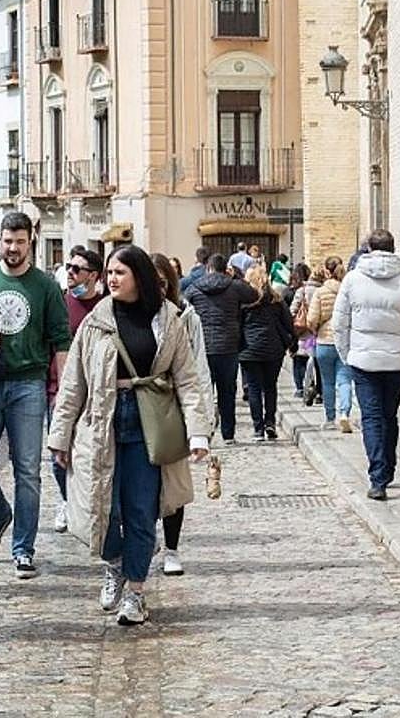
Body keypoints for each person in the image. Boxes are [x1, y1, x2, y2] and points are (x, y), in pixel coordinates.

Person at [47, 246, 211, 625]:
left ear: (138, 274)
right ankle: (116, 561)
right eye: (109, 272)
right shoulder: (96, 322)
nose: (112, 278)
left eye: (120, 271)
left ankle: (135, 592)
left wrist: (198, 433)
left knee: (140, 511)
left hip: (148, 424)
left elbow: (186, 379)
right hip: (100, 423)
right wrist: (61, 435)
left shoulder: (169, 320)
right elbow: (74, 383)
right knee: (99, 509)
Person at [0, 211, 71, 578]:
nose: (14, 248)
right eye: (8, 241)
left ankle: (23, 548)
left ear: (30, 242)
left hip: (29, 385)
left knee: (27, 472)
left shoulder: (46, 287)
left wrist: (65, 396)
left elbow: (61, 341)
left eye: (20, 241)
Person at [332, 229, 400, 501]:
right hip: (395, 362)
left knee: (370, 417)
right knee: (388, 415)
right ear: (393, 248)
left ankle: (378, 477)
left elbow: (339, 323)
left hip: (362, 361)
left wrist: (348, 355)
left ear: (369, 248)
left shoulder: (352, 279)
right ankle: (388, 468)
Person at [152, 252, 213, 577]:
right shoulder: (125, 316)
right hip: (143, 408)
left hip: (175, 408)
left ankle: (172, 548)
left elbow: (197, 369)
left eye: (162, 283)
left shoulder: (187, 317)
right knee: (141, 483)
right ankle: (146, 537)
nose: (156, 289)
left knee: (174, 483)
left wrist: (202, 422)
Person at [50, 248, 106, 534]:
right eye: (68, 268)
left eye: (76, 269)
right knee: (57, 452)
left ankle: (89, 504)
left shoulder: (105, 308)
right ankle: (65, 500)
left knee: (89, 453)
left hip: (96, 391)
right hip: (58, 389)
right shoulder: (60, 303)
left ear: (94, 276)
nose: (70, 274)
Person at [183, 252, 258, 445]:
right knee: (227, 392)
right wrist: (235, 277)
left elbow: (182, 304)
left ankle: (204, 431)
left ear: (208, 268)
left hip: (203, 346)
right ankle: (228, 434)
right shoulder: (233, 286)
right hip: (228, 345)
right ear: (226, 269)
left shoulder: (195, 287)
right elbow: (253, 294)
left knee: (203, 392)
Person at [239, 266, 295, 441]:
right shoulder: (276, 300)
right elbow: (288, 324)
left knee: (254, 389)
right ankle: (270, 421)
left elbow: (237, 324)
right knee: (270, 386)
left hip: (250, 349)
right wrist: (291, 342)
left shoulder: (244, 303)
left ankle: (258, 428)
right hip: (273, 348)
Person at [307, 257, 351, 432]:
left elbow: (311, 319)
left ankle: (330, 417)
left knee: (327, 381)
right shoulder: (348, 291)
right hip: (344, 340)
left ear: (326, 271)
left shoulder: (320, 292)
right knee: (345, 379)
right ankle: (345, 413)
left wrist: (315, 329)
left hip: (324, 341)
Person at [288, 263, 316, 396]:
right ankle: (311, 385)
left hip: (301, 330)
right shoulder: (319, 289)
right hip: (313, 331)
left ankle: (300, 388)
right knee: (311, 358)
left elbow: (292, 310)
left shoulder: (301, 291)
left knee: (298, 360)